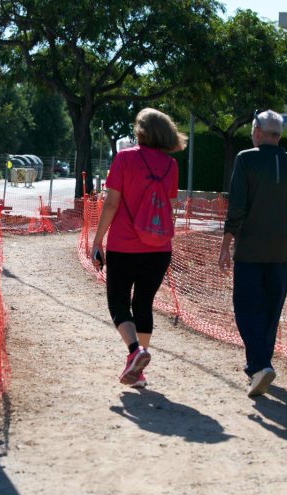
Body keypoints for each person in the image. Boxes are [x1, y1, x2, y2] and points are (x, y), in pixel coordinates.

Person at [218, 109, 287, 397]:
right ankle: (259, 367)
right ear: (279, 134)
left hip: (249, 253)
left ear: (257, 131)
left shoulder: (245, 159)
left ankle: (260, 365)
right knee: (270, 314)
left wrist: (225, 245)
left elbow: (237, 207)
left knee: (246, 310)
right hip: (281, 256)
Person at [91, 108, 186, 388]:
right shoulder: (171, 165)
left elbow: (111, 203)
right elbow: (166, 204)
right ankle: (137, 371)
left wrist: (97, 241)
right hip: (159, 249)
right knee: (143, 304)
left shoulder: (125, 158)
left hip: (125, 246)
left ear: (141, 131)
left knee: (118, 302)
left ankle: (136, 352)